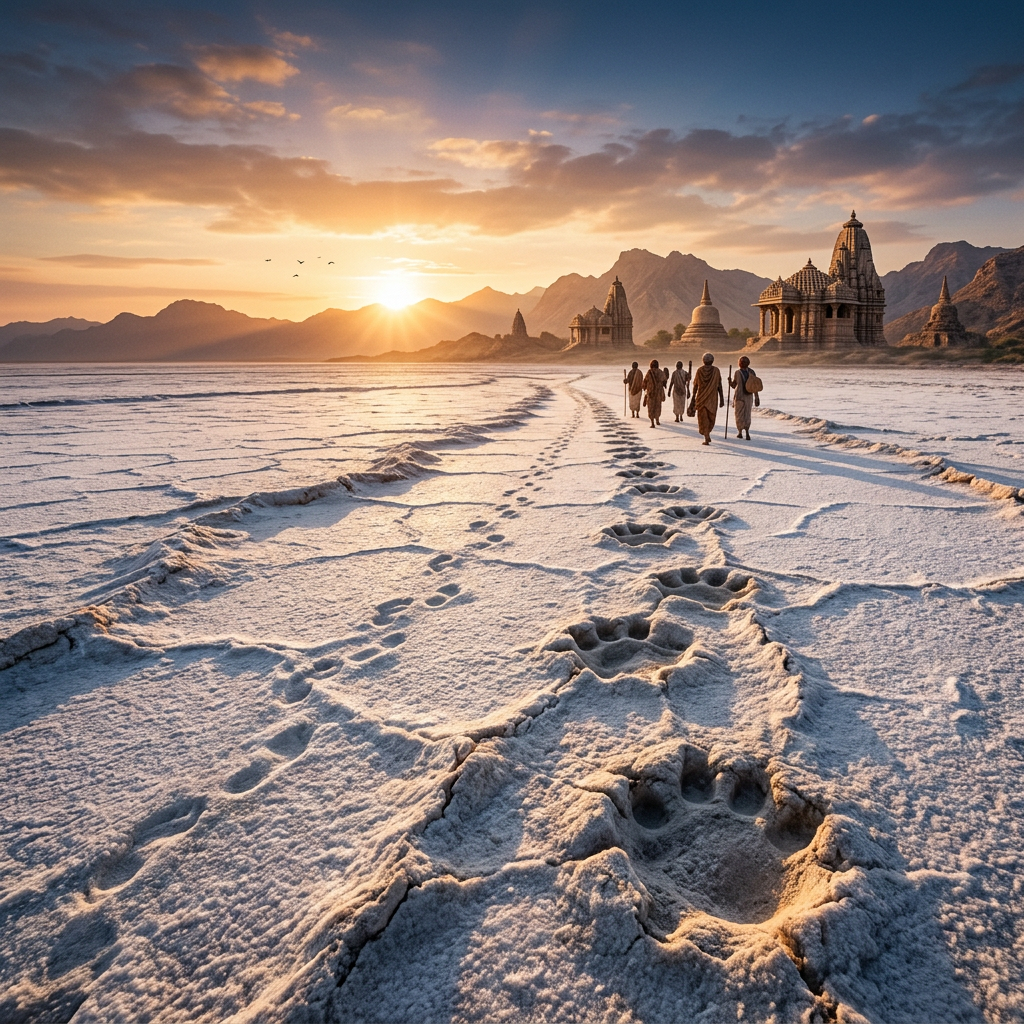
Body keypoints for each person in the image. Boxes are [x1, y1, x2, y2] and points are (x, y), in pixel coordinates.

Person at [688, 351, 724, 445]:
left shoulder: (704, 370)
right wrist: (721, 399)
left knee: (705, 418)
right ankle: (707, 435)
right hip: (711, 399)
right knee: (709, 417)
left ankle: (706, 434)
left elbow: (695, 386)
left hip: (703, 398)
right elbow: (719, 386)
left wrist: (693, 397)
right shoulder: (715, 370)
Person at [728, 356, 759, 440]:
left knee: (739, 414)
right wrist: (756, 397)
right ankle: (746, 432)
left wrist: (730, 382)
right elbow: (755, 386)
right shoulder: (751, 372)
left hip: (740, 396)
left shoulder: (738, 372)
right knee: (746, 414)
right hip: (748, 396)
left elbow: (734, 385)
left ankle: (740, 432)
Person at [642, 359, 666, 428]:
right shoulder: (661, 372)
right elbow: (664, 380)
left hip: (651, 393)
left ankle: (652, 423)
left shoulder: (649, 373)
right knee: (658, 406)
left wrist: (644, 387)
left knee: (651, 408)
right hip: (658, 393)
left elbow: (645, 381)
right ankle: (657, 420)